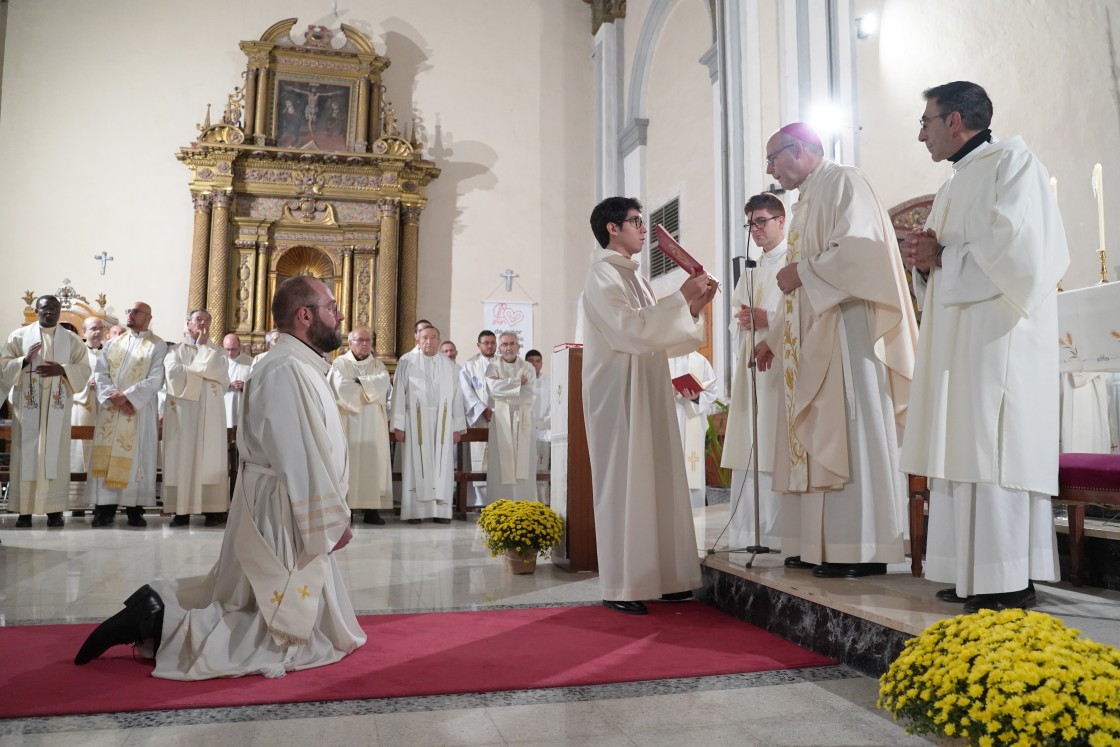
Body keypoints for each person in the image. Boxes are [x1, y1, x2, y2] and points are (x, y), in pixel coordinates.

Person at [75, 275, 365, 679]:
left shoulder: (297, 364)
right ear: (305, 315)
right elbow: (300, 456)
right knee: (266, 624)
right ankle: (157, 620)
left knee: (255, 600)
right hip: (285, 507)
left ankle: (155, 609)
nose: (339, 315)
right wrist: (333, 519)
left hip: (284, 500)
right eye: (331, 306)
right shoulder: (285, 369)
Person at [900, 81, 1068, 612]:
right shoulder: (954, 183)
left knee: (995, 454)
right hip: (962, 342)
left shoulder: (1013, 164)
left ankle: (1008, 577)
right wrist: (930, 264)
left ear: (954, 121)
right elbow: (944, 263)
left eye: (926, 121)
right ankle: (972, 573)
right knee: (964, 449)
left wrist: (944, 257)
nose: (920, 133)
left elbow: (1019, 251)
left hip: (1001, 342)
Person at [753, 123, 918, 579]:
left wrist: (804, 271)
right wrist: (772, 340)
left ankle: (860, 548)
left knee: (849, 429)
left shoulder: (845, 180)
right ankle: (817, 545)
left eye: (773, 158)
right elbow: (795, 286)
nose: (769, 169)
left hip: (847, 331)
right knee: (818, 433)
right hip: (814, 331)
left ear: (802, 150)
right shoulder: (806, 200)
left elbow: (862, 253)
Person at [582, 196, 718, 615]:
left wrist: (691, 305)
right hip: (620, 394)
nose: (643, 229)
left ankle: (667, 576)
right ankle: (623, 584)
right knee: (626, 483)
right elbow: (630, 331)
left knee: (658, 476)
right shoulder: (603, 276)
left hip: (647, 386)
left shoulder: (634, 277)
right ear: (611, 228)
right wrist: (680, 300)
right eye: (636, 222)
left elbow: (657, 331)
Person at [722, 192, 789, 552]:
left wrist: (768, 321)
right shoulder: (752, 269)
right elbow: (737, 321)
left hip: (782, 367)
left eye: (761, 221)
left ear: (781, 220)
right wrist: (745, 323)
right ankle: (751, 531)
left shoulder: (795, 260)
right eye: (750, 223)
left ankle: (779, 534)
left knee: (775, 442)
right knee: (753, 443)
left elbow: (807, 316)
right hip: (753, 367)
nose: (755, 230)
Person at [0, 295, 91, 528]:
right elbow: (4, 365)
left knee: (56, 456)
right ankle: (24, 510)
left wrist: (63, 369)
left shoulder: (72, 340)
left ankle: (54, 510)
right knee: (26, 454)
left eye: (54, 308)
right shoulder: (19, 336)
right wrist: (23, 360)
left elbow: (84, 369)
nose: (50, 312)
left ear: (59, 310)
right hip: (27, 407)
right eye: (45, 308)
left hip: (57, 409)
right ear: (37, 311)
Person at [90, 302, 167, 528]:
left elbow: (156, 378)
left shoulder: (158, 345)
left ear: (148, 317)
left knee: (137, 460)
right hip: (112, 410)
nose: (130, 315)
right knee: (108, 458)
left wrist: (128, 397)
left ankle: (135, 510)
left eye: (135, 312)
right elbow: (100, 372)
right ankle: (104, 510)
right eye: (129, 311)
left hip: (139, 410)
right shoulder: (114, 343)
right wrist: (113, 397)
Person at [391, 325, 466, 523]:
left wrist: (457, 427)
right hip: (415, 421)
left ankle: (440, 511)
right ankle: (415, 511)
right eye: (425, 337)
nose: (429, 341)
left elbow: (458, 397)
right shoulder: (407, 361)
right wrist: (399, 425)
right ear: (417, 338)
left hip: (442, 422)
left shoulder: (449, 366)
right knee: (417, 466)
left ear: (439, 341)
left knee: (441, 467)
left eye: (433, 337)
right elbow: (398, 392)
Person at [163, 309, 230, 528]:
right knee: (183, 455)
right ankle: (181, 511)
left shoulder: (217, 351)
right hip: (185, 412)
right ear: (188, 324)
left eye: (207, 320)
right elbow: (173, 374)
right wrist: (202, 370)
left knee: (211, 455)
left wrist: (201, 352)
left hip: (211, 412)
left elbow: (220, 374)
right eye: (198, 320)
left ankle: (213, 509)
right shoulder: (174, 351)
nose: (203, 324)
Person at [329, 327, 392, 525]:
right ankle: (346, 509)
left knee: (373, 463)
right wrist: (368, 389)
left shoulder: (378, 364)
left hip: (373, 423)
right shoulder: (340, 364)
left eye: (368, 340)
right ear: (351, 343)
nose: (365, 344)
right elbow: (340, 388)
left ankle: (371, 510)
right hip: (348, 419)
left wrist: (359, 382)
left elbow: (384, 384)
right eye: (360, 340)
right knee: (348, 462)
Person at [484, 332, 537, 503]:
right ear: (499, 348)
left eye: (512, 343)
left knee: (524, 463)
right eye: (505, 344)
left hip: (524, 417)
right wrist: (517, 383)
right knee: (500, 463)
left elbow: (529, 393)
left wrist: (504, 385)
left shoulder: (528, 367)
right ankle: (499, 504)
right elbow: (493, 390)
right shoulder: (492, 366)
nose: (508, 348)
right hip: (501, 418)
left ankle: (525, 503)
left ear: (519, 346)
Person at [668, 351, 719, 510]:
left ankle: (695, 529)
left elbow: (712, 392)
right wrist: (666, 392)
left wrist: (696, 397)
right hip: (667, 422)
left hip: (690, 421)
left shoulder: (701, 361)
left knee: (691, 478)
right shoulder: (661, 359)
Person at [69, 315, 107, 516]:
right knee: (80, 452)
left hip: (104, 409)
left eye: (101, 328)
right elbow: (66, 377)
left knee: (101, 452)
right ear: (84, 332)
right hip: (82, 406)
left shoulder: (109, 353)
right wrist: (86, 385)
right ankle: (78, 502)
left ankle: (102, 501)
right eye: (93, 328)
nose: (98, 332)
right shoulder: (76, 353)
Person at [459, 329, 497, 506]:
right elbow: (466, 391)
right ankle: (480, 503)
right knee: (479, 460)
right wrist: (482, 409)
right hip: (479, 420)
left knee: (499, 462)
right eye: (486, 343)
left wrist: (496, 411)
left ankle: (499, 502)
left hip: (500, 420)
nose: (490, 346)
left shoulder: (504, 363)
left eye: (492, 342)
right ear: (479, 345)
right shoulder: (469, 365)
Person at [525, 349, 551, 504]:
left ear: (541, 363)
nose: (534, 364)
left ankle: (543, 503)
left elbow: (555, 404)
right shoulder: (522, 381)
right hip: (526, 429)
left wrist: (544, 422)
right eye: (531, 361)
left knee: (542, 467)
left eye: (537, 361)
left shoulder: (549, 382)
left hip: (543, 429)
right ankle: (528, 502)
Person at [222, 333, 253, 428]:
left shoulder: (250, 362)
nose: (230, 353)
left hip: (243, 406)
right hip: (224, 405)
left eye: (233, 349)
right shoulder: (218, 362)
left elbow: (258, 385)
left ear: (240, 347)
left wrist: (245, 386)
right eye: (227, 349)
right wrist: (227, 385)